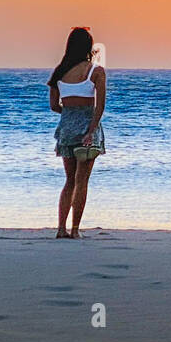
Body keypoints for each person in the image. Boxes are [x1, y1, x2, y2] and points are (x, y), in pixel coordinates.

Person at [47, 27, 106, 239]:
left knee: (69, 180)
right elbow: (99, 107)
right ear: (89, 47)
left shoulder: (59, 73)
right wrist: (91, 131)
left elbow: (54, 106)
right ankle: (75, 230)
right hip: (86, 128)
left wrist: (69, 114)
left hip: (66, 129)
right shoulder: (95, 72)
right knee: (82, 181)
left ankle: (61, 229)